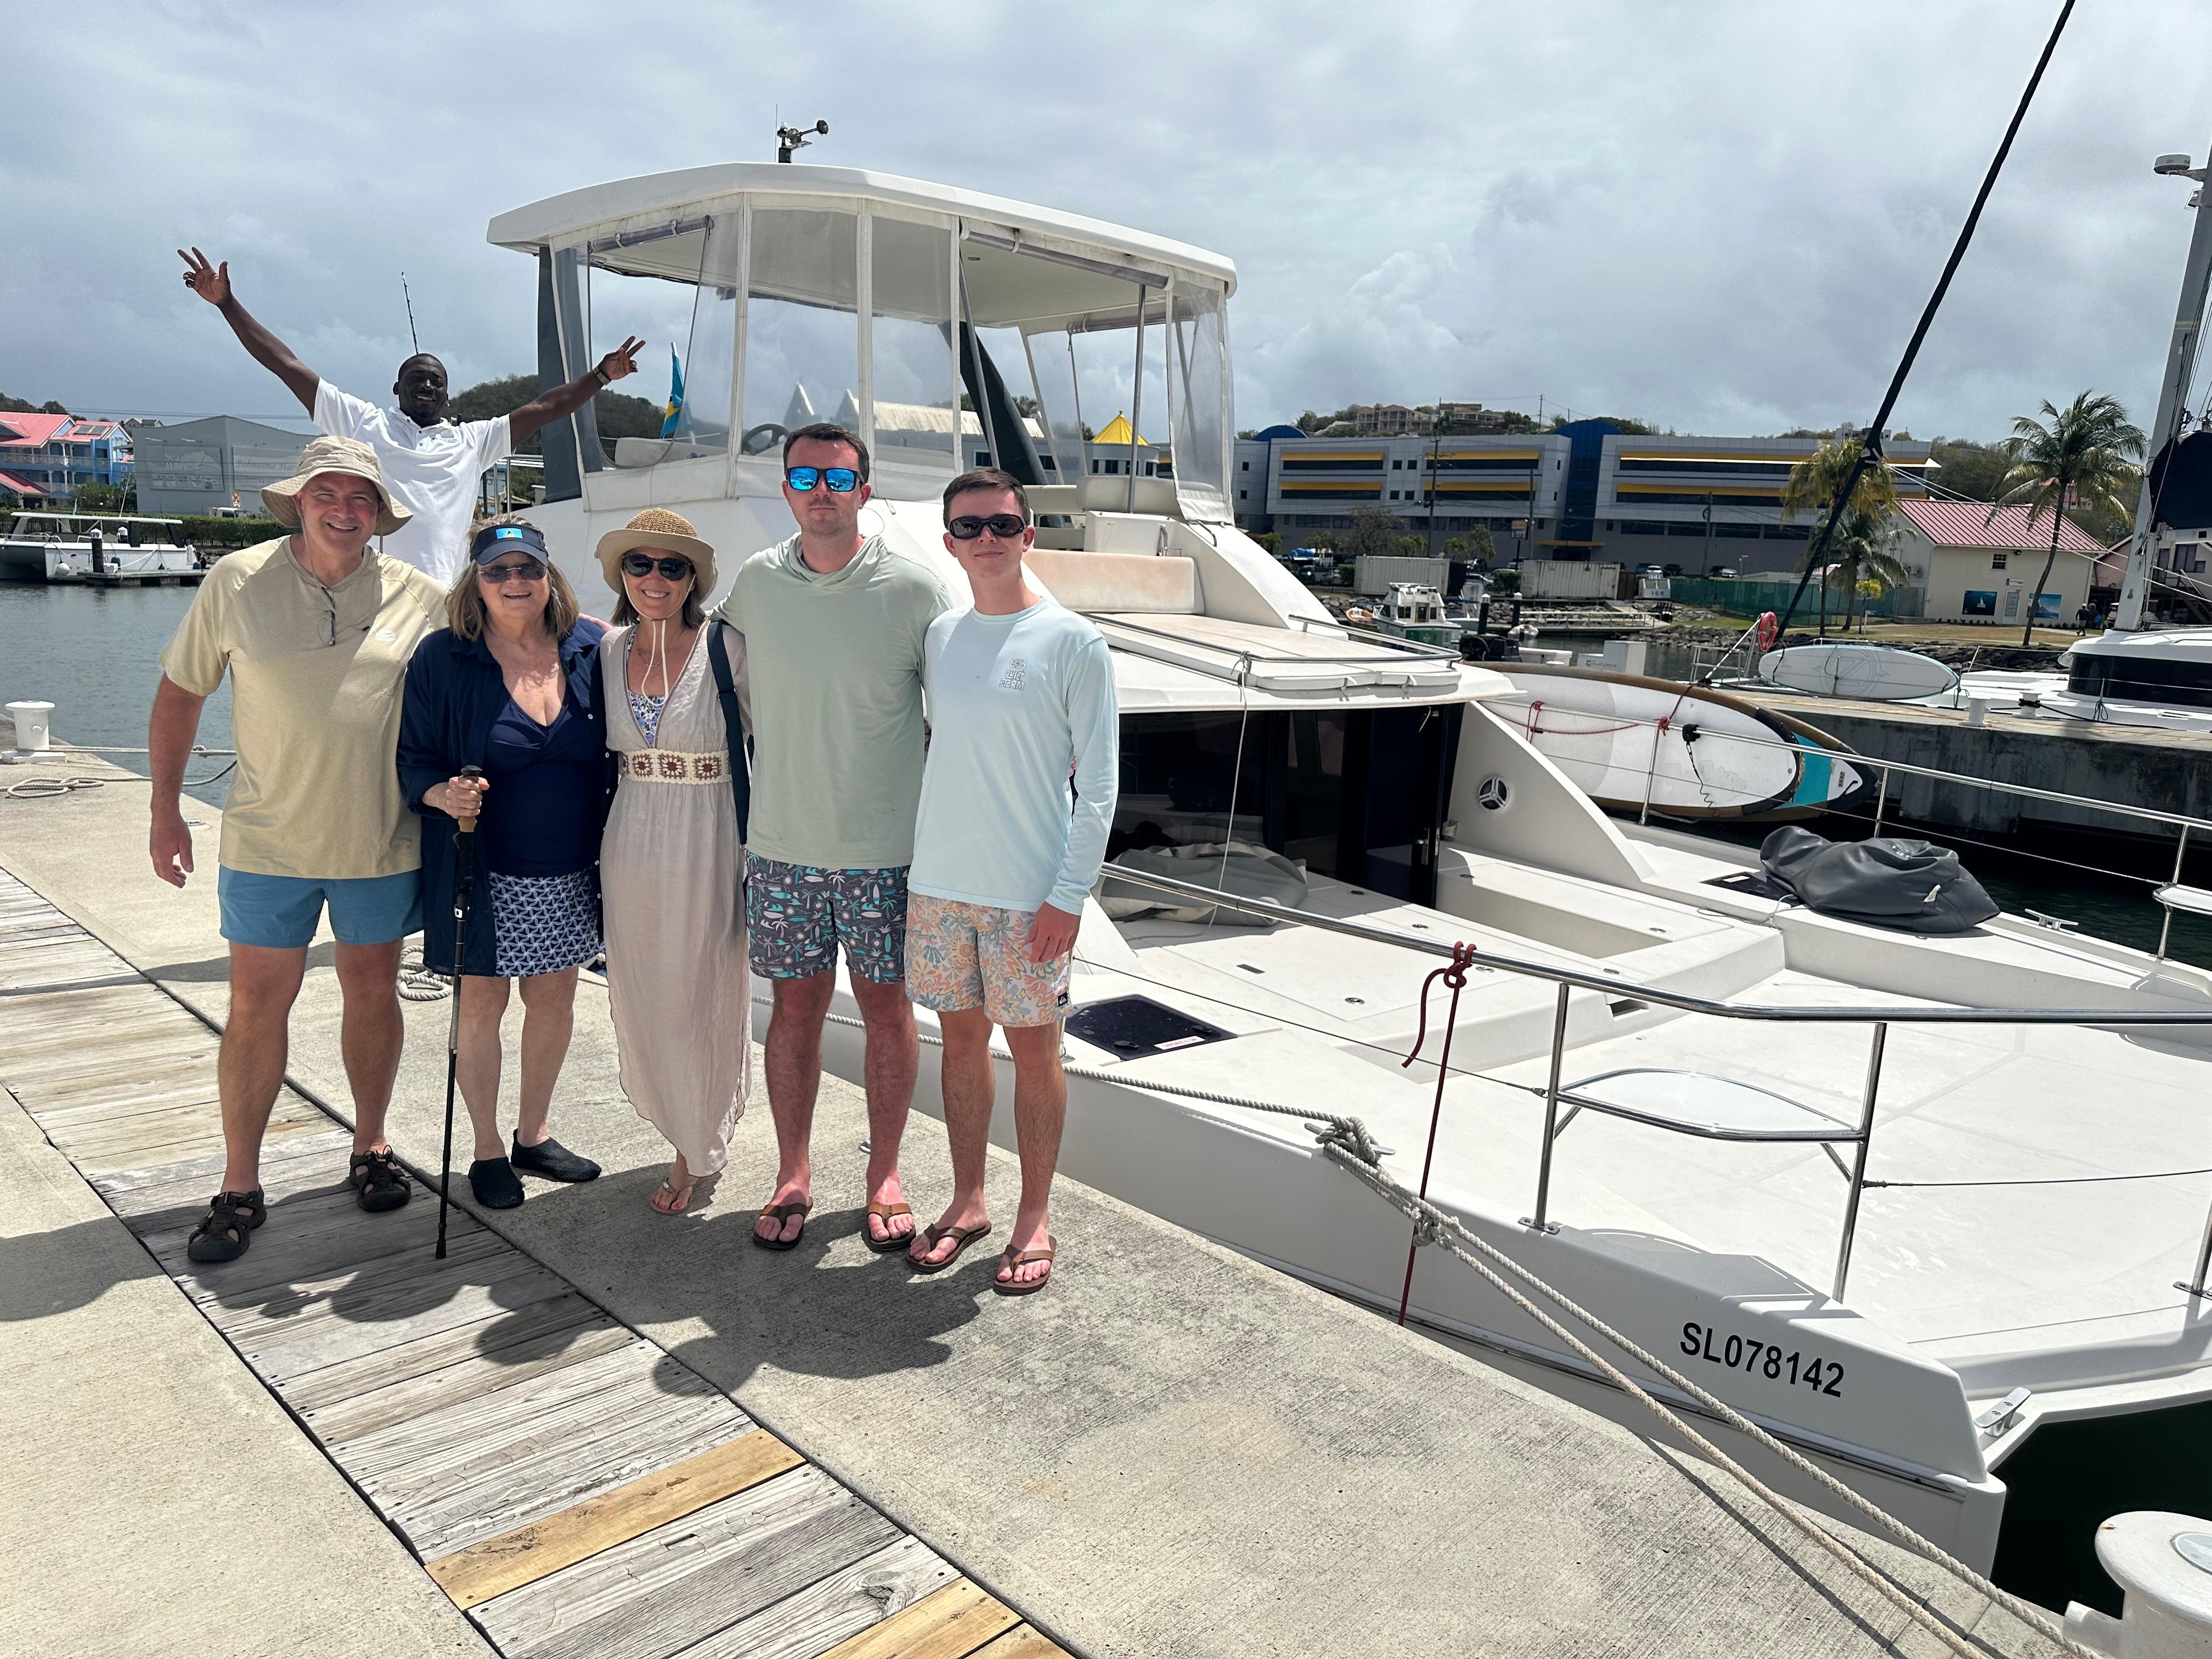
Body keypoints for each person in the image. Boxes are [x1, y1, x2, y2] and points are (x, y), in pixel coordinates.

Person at [148, 436, 446, 1263]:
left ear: (380, 514)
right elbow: (181, 693)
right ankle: (240, 1183)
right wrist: (165, 809)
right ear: (299, 503)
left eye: (361, 498)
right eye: (328, 495)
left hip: (379, 841)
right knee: (254, 1007)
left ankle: (372, 1144)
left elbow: (505, 642)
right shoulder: (234, 580)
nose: (344, 511)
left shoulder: (423, 595)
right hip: (265, 843)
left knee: (373, 992)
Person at [714, 423, 951, 1251]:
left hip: (887, 854)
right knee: (795, 1010)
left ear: (865, 491)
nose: (822, 491)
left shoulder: (916, 590)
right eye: (806, 476)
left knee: (888, 1010)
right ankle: (793, 1172)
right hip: (783, 847)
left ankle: (884, 1174)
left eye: (839, 478)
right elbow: (692, 659)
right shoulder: (755, 583)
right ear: (786, 490)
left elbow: (959, 712)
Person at [901, 470, 1118, 1294]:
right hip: (939, 885)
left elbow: (1100, 786)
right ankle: (968, 1202)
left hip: (1030, 896)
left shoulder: (1073, 641)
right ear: (950, 542)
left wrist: (1070, 894)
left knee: (1035, 1054)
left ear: (1028, 535)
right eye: (969, 526)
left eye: (1001, 524)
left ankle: (1034, 1216)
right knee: (959, 1046)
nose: (986, 538)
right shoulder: (940, 637)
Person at [177, 247, 644, 585]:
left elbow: (546, 408)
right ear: (396, 389)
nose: (427, 386)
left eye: (436, 381)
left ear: (447, 395)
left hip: (444, 598)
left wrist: (600, 376)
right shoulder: (363, 423)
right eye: (416, 379)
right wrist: (228, 305)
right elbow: (286, 365)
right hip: (371, 592)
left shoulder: (473, 441)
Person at [397, 518, 612, 1209]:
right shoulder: (443, 657)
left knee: (554, 1003)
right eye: (498, 571)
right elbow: (413, 760)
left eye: (528, 568)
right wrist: (441, 793)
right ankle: (488, 1149)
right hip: (483, 870)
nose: (514, 582)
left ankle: (533, 1134)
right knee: (482, 1007)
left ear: (549, 576)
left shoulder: (591, 647)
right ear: (477, 581)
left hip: (573, 872)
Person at [597, 509, 753, 1214]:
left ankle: (695, 1143)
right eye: (640, 564)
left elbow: (781, 731)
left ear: (693, 579)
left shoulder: (727, 647)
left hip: (708, 833)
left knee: (700, 990)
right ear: (621, 575)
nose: (654, 578)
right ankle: (677, 1121)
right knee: (643, 991)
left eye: (672, 566)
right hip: (630, 835)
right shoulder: (608, 650)